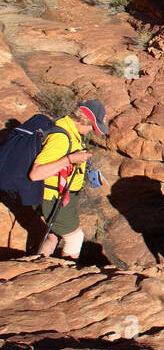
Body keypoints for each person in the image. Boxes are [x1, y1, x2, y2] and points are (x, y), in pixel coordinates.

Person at [29, 98, 110, 262]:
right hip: (52, 196)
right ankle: (64, 271)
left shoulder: (71, 132)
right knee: (74, 238)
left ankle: (39, 266)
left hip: (59, 195)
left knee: (53, 235)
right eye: (91, 127)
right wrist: (70, 159)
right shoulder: (61, 137)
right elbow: (35, 174)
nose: (91, 131)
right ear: (82, 120)